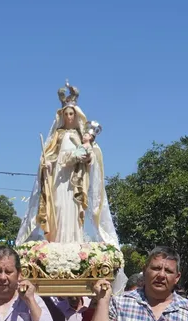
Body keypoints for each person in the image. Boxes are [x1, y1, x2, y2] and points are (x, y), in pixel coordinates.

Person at [17, 82, 120, 249]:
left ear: (77, 115)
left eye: (72, 113)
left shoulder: (81, 136)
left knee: (73, 210)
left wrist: (86, 158)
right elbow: (49, 155)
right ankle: (56, 242)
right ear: (62, 115)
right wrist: (46, 165)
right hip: (58, 178)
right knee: (58, 206)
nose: (69, 117)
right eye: (66, 114)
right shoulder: (57, 135)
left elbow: (92, 157)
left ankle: (73, 243)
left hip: (74, 180)